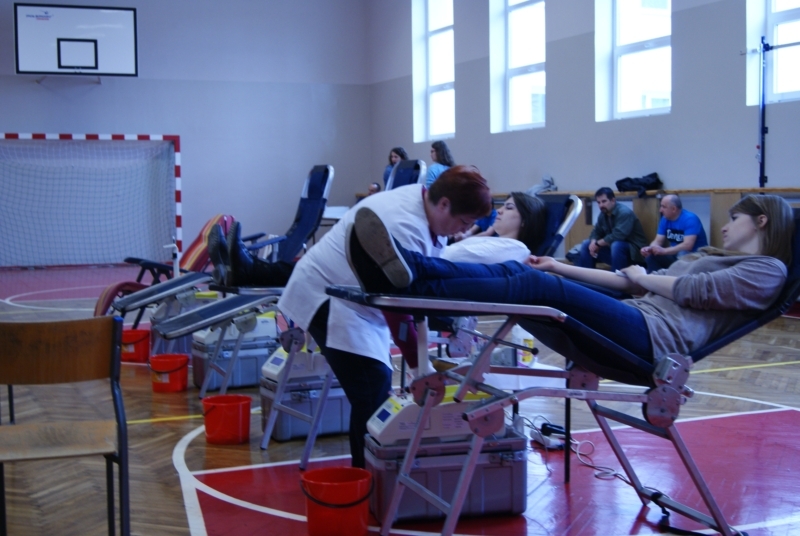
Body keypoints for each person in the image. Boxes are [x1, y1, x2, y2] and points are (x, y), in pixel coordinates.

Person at [346, 195, 793, 364]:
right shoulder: (713, 257)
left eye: (734, 219)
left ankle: (410, 276)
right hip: (635, 315)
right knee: (530, 275)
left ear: (761, 221)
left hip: (654, 339)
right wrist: (558, 266)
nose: (725, 226)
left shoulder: (768, 270)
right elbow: (628, 282)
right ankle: (411, 270)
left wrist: (643, 276)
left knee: (533, 288)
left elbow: (688, 291)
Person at [278, 165, 492, 468]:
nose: (462, 231)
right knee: (371, 391)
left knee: (373, 387)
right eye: (464, 222)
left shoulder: (423, 200)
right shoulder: (404, 225)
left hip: (355, 297)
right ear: (444, 204)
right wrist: (419, 366)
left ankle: (371, 475)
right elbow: (397, 305)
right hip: (330, 297)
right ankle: (368, 478)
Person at [208, 192, 546, 287]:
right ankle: (244, 270)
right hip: (427, 265)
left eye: (509, 208)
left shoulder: (517, 249)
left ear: (526, 221)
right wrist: (481, 232)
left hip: (428, 272)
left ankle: (246, 270)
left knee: (334, 269)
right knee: (329, 266)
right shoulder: (492, 239)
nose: (500, 212)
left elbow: (459, 262)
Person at [577, 187, 648, 271]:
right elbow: (596, 231)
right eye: (598, 202)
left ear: (613, 200)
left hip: (635, 254)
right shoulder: (603, 214)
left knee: (617, 245)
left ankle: (617, 277)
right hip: (616, 253)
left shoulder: (624, 213)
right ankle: (585, 276)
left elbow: (618, 236)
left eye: (604, 201)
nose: (601, 205)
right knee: (586, 244)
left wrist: (598, 244)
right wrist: (593, 243)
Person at [641, 194, 708, 272]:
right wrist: (650, 249)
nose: (660, 210)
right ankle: (653, 278)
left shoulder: (690, 219)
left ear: (673, 209)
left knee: (682, 253)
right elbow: (658, 241)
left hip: (694, 256)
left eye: (663, 207)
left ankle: (675, 278)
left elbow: (687, 246)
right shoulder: (665, 219)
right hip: (676, 254)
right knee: (651, 256)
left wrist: (664, 251)